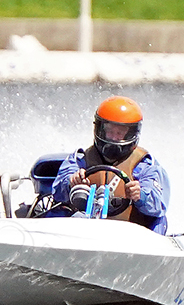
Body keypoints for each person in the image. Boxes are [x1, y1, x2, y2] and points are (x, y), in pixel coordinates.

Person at [50, 95, 170, 234]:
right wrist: (71, 182)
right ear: (99, 129)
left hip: (130, 235)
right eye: (110, 131)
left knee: (160, 220)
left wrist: (140, 195)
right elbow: (57, 191)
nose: (113, 137)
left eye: (119, 133)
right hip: (82, 230)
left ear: (131, 133)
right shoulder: (80, 159)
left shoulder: (145, 165)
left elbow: (158, 205)